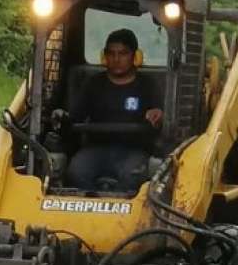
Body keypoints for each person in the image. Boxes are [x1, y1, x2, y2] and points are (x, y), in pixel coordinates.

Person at [65, 28, 164, 192]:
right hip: (95, 149)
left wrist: (157, 115)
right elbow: (75, 116)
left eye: (123, 53)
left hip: (134, 151)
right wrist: (63, 117)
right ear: (105, 56)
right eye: (111, 54)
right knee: (76, 172)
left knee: (133, 176)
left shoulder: (148, 85)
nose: (116, 59)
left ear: (135, 56)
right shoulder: (93, 83)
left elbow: (159, 115)